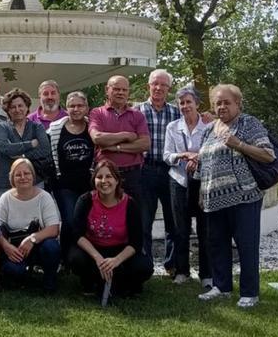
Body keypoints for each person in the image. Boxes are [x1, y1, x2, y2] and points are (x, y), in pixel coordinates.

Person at [196, 84, 275, 308]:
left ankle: (250, 292)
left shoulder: (248, 123)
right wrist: (202, 191)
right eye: (218, 102)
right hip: (213, 198)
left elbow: (268, 155)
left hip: (244, 197)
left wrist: (238, 144)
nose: (222, 106)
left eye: (227, 102)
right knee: (217, 244)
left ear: (238, 104)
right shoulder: (209, 129)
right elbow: (203, 163)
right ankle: (221, 287)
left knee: (246, 245)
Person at [69, 160, 152, 301]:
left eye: (109, 176)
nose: (104, 181)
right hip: (94, 250)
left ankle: (124, 283)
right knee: (75, 258)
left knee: (144, 267)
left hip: (119, 250)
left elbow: (136, 243)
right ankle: (90, 282)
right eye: (99, 177)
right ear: (94, 180)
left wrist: (116, 261)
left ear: (117, 180)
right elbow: (77, 235)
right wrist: (98, 258)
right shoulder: (85, 200)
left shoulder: (130, 204)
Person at [163, 86, 211, 287]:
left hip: (203, 183)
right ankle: (182, 271)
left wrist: (198, 158)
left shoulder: (209, 126)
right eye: (181, 103)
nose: (184, 106)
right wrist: (182, 155)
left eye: (188, 102)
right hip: (179, 181)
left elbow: (213, 152)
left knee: (205, 228)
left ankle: (207, 274)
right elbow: (166, 156)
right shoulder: (172, 127)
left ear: (197, 104)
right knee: (180, 228)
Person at [137, 69, 180, 275]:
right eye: (155, 83)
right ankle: (146, 264)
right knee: (144, 220)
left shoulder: (177, 112)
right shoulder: (137, 112)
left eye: (163, 85)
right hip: (145, 170)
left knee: (173, 220)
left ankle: (171, 264)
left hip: (171, 170)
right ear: (148, 86)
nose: (158, 88)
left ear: (169, 89)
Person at [0, 159, 61, 292]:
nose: (23, 177)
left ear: (33, 175)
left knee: (51, 247)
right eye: (18, 175)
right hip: (14, 248)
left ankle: (49, 282)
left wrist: (32, 239)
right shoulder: (5, 198)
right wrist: (6, 246)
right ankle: (22, 277)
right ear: (12, 178)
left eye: (27, 173)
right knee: (14, 271)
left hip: (37, 245)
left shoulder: (44, 197)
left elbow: (54, 228)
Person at [89, 75, 149, 204]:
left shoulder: (137, 115)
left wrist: (115, 147)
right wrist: (127, 135)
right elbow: (97, 138)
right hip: (105, 175)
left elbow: (145, 144)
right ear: (107, 90)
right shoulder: (97, 113)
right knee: (105, 213)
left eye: (124, 90)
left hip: (132, 175)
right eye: (116, 89)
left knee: (133, 216)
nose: (121, 92)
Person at [47, 91, 94, 252]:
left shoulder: (93, 128)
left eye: (80, 105)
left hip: (89, 183)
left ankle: (83, 255)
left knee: (86, 221)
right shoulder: (55, 129)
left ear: (87, 108)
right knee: (69, 219)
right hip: (64, 184)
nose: (76, 109)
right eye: (72, 106)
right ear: (66, 108)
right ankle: (66, 255)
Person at [0, 88, 52, 199]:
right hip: (7, 184)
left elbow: (45, 150)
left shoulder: (37, 127)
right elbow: (5, 148)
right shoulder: (2, 127)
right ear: (8, 110)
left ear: (26, 107)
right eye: (13, 107)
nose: (17, 110)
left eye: (20, 106)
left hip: (34, 182)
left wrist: (24, 156)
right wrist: (31, 144)